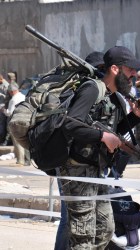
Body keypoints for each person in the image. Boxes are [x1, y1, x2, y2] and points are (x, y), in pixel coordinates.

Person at [57, 46, 140, 249]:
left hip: (97, 170)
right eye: (130, 70)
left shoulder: (113, 96)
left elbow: (114, 131)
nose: (134, 74)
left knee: (106, 228)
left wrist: (136, 116)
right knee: (83, 236)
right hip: (78, 171)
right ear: (115, 69)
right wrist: (102, 136)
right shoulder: (91, 89)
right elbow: (70, 123)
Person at [54, 51, 106, 250]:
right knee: (69, 218)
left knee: (74, 219)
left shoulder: (95, 93)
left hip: (82, 165)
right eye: (101, 69)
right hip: (70, 164)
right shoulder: (86, 91)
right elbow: (73, 126)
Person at [1, 83, 30, 165]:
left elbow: (10, 113)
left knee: (18, 142)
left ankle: (20, 160)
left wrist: (3, 110)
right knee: (25, 141)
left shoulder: (13, 99)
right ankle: (27, 160)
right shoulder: (23, 96)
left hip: (15, 122)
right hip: (25, 121)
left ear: (12, 92)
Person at [0, 74, 10, 143]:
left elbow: (8, 96)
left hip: (3, 107)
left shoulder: (6, 85)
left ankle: (2, 138)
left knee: (2, 123)